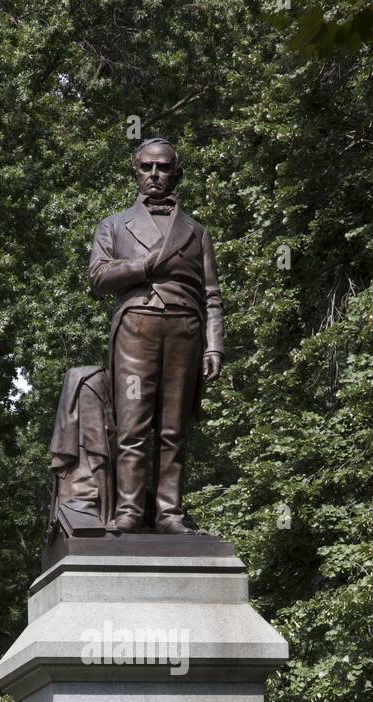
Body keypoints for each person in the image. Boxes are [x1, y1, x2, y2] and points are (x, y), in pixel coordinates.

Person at [89, 138, 224, 535]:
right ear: (135, 170)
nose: (154, 175)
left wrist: (214, 344)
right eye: (147, 167)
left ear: (175, 173)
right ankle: (129, 512)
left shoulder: (196, 232)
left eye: (163, 168)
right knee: (132, 425)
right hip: (136, 328)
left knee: (174, 428)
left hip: (185, 330)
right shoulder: (113, 225)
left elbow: (211, 295)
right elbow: (98, 277)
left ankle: (169, 513)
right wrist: (143, 265)